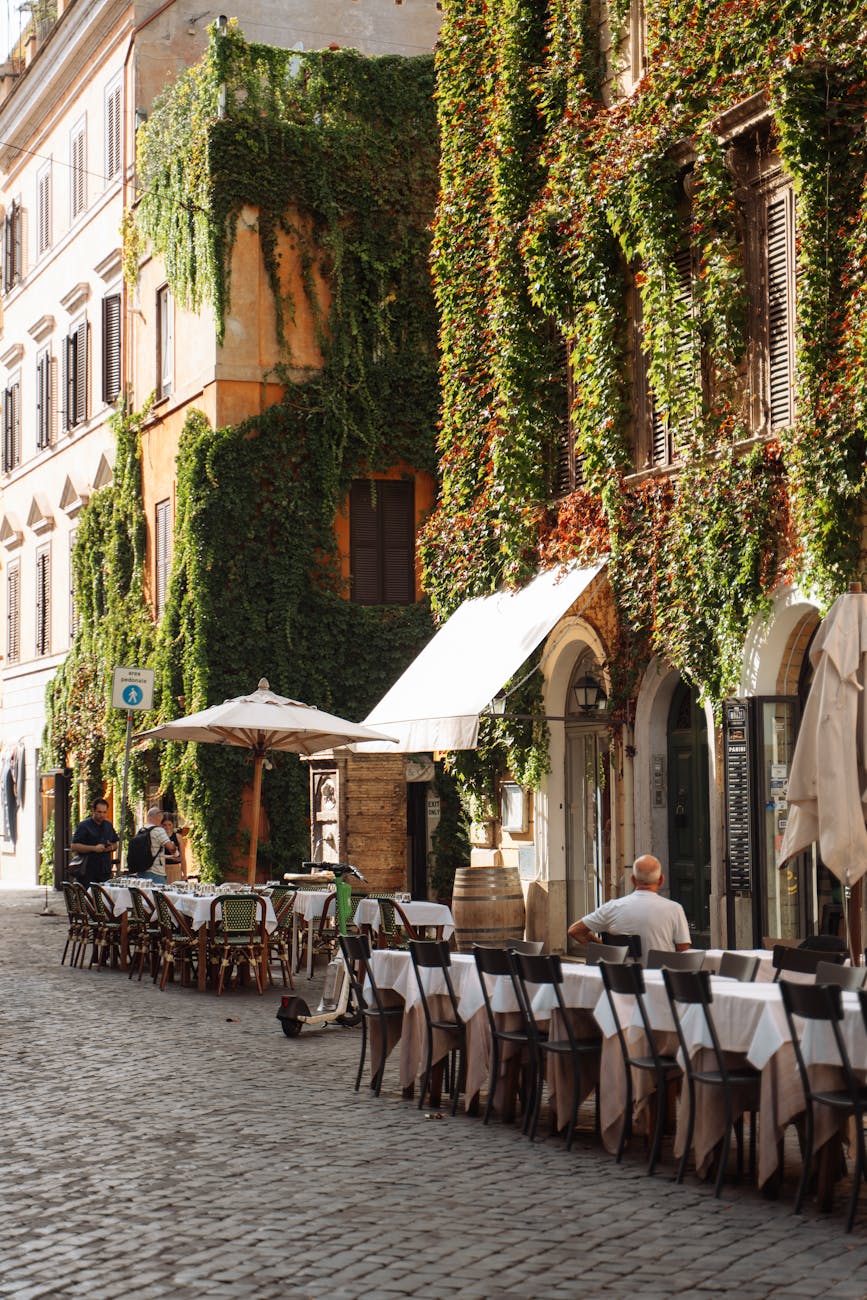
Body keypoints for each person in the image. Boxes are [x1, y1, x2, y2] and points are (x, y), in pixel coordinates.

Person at [567, 854, 691, 961]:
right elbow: (683, 951)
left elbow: (574, 931)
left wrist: (608, 948)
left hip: (622, 981)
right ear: (661, 880)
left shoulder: (612, 908)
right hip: (660, 981)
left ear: (632, 879)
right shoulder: (674, 909)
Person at [70, 798, 119, 885]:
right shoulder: (84, 826)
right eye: (99, 812)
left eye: (104, 812)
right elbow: (74, 846)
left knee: (104, 896)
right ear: (93, 811)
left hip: (105, 869)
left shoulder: (108, 825)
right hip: (88, 869)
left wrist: (111, 847)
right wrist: (94, 848)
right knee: (88, 896)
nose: (102, 815)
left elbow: (116, 843)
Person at [137, 807, 173, 884]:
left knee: (145, 895)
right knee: (158, 895)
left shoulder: (141, 830)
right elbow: (171, 847)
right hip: (156, 873)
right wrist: (176, 853)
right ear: (157, 816)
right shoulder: (158, 830)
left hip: (142, 871)